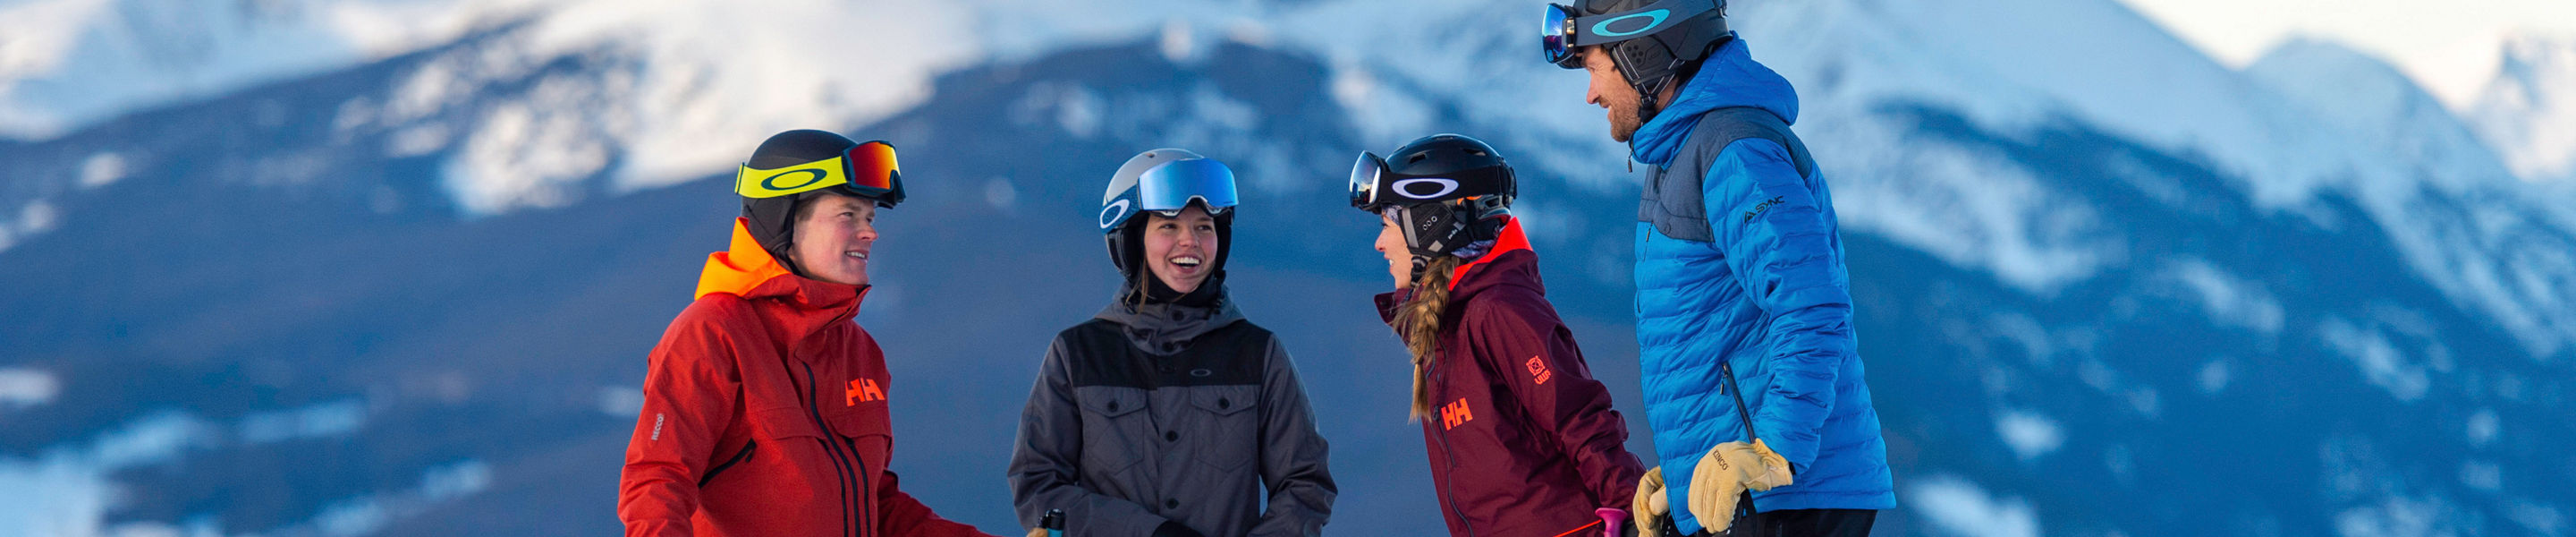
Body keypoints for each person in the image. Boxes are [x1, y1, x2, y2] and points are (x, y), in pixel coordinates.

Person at [1541, 1, 1894, 535]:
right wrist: (1684, 472)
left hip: (1786, 496)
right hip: (1747, 494)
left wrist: (1774, 450)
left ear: (1640, 54)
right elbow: (1720, 333)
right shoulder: (1682, 152)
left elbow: (1810, 305)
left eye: (1594, 68)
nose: (1591, 94)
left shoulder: (1734, 149)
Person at [618, 129, 996, 537]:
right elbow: (657, 481)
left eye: (870, 217)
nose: (870, 232)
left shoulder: (857, 349)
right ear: (784, 221)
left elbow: (875, 504)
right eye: (847, 215)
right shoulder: (713, 332)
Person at [1008, 149, 1336, 537]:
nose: (1190, 242)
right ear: (1130, 240)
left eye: (1204, 227)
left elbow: (1305, 484)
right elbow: (1038, 486)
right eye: (1168, 226)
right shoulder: (1078, 354)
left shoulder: (1257, 353)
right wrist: (1148, 533)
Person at [1349, 133, 1648, 537]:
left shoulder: (1498, 311)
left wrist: (1636, 515)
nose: (1379, 243)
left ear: (1430, 225)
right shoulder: (1449, 328)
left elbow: (1581, 421)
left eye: (1387, 224)